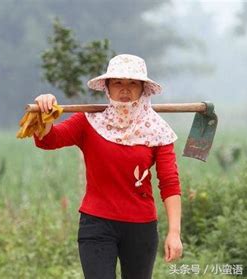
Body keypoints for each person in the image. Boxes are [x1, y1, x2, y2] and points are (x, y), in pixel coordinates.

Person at [22, 54, 183, 279]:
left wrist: (174, 232)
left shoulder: (158, 130)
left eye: (132, 83)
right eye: (118, 82)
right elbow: (49, 140)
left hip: (141, 227)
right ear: (107, 87)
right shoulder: (89, 121)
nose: (125, 89)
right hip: (96, 224)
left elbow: (169, 184)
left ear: (143, 89)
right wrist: (46, 112)